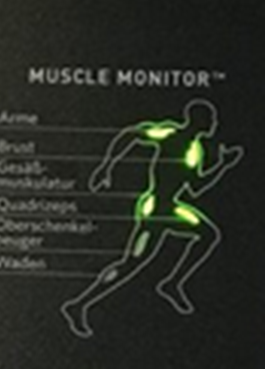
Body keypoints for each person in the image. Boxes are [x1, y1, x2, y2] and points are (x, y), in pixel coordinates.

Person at [60, 99, 243, 339]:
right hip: (154, 209)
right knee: (130, 263)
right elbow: (132, 135)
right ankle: (79, 304)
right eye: (210, 119)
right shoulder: (170, 134)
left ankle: (172, 283)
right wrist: (106, 167)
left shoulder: (196, 150)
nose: (214, 124)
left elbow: (195, 187)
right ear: (197, 120)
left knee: (207, 235)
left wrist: (222, 165)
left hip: (172, 210)